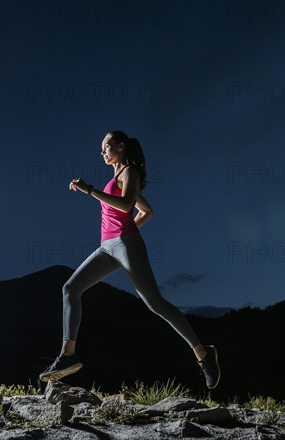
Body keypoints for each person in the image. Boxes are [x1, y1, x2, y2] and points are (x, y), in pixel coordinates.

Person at [39, 130, 221, 389]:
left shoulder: (130, 173)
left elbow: (126, 206)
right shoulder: (117, 177)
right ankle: (67, 356)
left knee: (155, 304)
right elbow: (146, 211)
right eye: (101, 148)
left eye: (106, 146)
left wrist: (90, 191)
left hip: (126, 245)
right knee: (70, 288)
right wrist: (122, 226)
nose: (102, 151)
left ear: (121, 147)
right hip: (107, 247)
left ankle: (204, 354)